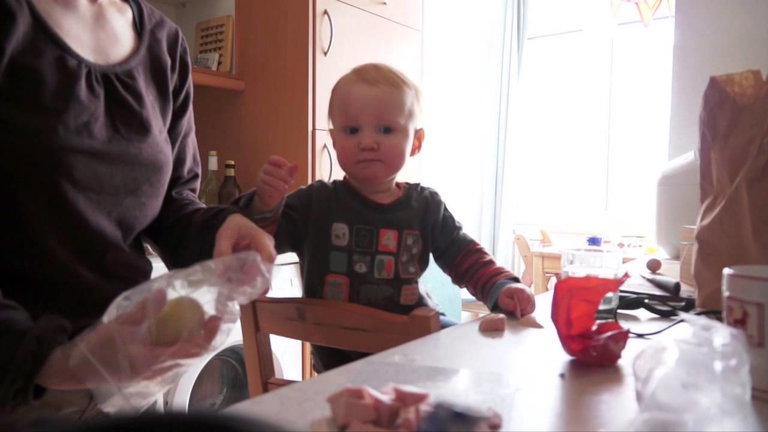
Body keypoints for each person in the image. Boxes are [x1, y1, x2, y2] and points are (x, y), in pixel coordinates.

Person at [0, 0, 275, 420]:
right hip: (21, 391)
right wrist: (58, 362)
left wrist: (220, 228)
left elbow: (174, 202)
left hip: (130, 384)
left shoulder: (165, 44)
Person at [239, 63, 535, 372]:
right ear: (335, 141)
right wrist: (264, 204)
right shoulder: (314, 203)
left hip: (415, 353)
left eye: (385, 130)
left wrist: (500, 286)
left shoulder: (426, 206)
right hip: (339, 365)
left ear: (416, 142)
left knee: (483, 355)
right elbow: (253, 243)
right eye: (352, 130)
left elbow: (465, 256)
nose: (368, 142)